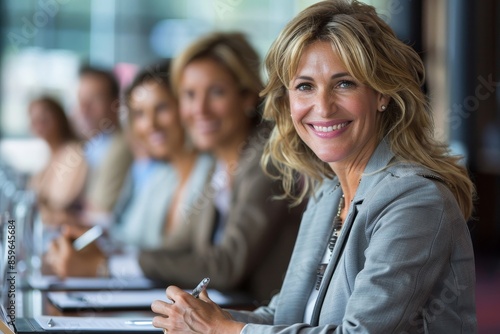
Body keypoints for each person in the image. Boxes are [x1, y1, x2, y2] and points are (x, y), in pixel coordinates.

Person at [150, 1, 477, 333]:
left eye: (344, 83)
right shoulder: (327, 195)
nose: (322, 106)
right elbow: (285, 318)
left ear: (382, 93)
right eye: (305, 86)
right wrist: (207, 318)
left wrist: (222, 330)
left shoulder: (415, 199)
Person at [138, 32, 305, 303]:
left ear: (248, 96)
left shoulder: (270, 160)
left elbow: (227, 267)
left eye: (216, 92)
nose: (200, 109)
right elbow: (176, 247)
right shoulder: (216, 165)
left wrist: (137, 263)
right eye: (189, 95)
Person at [45, 61, 213, 275]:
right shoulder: (162, 175)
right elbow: (128, 239)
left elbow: (190, 262)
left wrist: (102, 267)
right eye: (140, 114)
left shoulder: (210, 172)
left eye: (161, 108)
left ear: (183, 107)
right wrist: (90, 242)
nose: (150, 124)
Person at [75, 66, 133, 220]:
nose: (83, 108)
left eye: (93, 99)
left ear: (116, 104)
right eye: (80, 99)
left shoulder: (123, 146)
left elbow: (97, 211)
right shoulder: (93, 142)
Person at [28, 96, 88, 227]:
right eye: (34, 119)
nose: (38, 123)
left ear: (59, 118)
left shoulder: (72, 153)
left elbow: (59, 202)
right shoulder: (51, 155)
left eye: (44, 118)